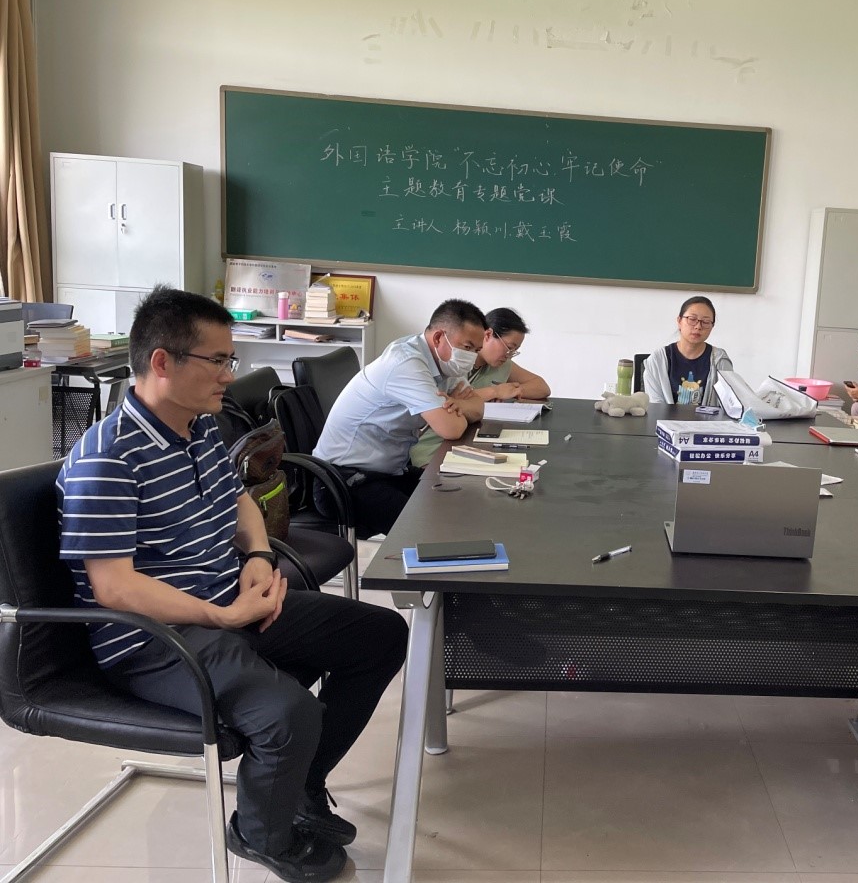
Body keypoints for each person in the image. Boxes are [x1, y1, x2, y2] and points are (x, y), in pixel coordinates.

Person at [58, 287, 407, 883]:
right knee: (289, 715)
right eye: (217, 360)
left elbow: (241, 500)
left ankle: (298, 786)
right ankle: (262, 834)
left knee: (379, 635)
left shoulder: (198, 428)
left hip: (227, 603)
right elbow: (114, 589)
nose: (229, 374)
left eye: (230, 359)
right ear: (162, 362)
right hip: (154, 637)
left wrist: (259, 556)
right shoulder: (107, 458)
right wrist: (220, 616)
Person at [314, 298, 486, 536]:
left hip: (388, 472)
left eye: (476, 350)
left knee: (460, 500)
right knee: (432, 532)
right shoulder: (407, 363)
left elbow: (478, 407)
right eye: (467, 347)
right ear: (439, 337)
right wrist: (457, 407)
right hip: (343, 481)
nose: (472, 357)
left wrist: (459, 405)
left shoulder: (444, 363)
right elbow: (451, 429)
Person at [410, 306, 551, 469]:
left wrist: (513, 391)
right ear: (488, 335)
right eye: (509, 347)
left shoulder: (501, 365)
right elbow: (447, 403)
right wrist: (495, 391)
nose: (509, 355)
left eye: (514, 351)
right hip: (435, 443)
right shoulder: (455, 361)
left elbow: (542, 387)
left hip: (468, 437)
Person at [644, 295, 733, 409]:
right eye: (692, 319)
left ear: (712, 326)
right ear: (679, 321)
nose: (698, 326)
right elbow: (656, 408)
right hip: (665, 420)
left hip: (708, 421)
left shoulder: (720, 361)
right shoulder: (657, 360)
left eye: (706, 322)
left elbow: (728, 406)